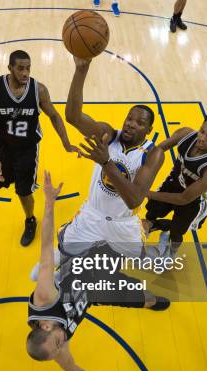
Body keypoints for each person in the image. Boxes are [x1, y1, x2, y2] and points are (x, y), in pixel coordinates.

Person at [26, 172, 169, 371]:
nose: (63, 345)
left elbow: (44, 249)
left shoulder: (44, 300)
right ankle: (148, 301)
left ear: (44, 325)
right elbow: (72, 370)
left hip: (87, 263)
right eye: (58, 349)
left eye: (57, 342)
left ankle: (148, 219)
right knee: (145, 298)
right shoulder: (53, 348)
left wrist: (50, 203)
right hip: (96, 291)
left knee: (126, 237)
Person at [63, 56, 165, 258]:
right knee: (66, 251)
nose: (131, 124)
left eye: (139, 122)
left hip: (123, 223)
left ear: (148, 129)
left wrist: (106, 163)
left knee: (135, 261)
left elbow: (134, 199)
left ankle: (152, 233)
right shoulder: (108, 135)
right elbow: (73, 116)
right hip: (92, 215)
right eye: (129, 118)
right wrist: (81, 69)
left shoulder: (153, 154)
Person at [0, 50, 80, 247]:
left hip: (27, 148)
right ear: (9, 68)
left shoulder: (39, 90)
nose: (25, 73)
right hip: (3, 144)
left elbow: (54, 115)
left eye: (28, 68)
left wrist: (66, 142)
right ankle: (10, 173)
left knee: (23, 191)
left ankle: (30, 220)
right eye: (20, 68)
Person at [143, 111, 207, 257]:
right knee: (152, 211)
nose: (202, 138)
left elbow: (184, 198)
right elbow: (158, 150)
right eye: (202, 131)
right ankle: (150, 225)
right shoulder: (185, 134)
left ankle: (171, 253)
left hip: (193, 199)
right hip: (174, 182)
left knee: (177, 232)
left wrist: (146, 192)